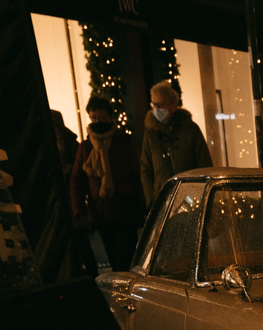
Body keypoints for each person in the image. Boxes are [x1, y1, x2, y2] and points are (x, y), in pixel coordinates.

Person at [72, 94, 144, 273]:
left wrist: (143, 204)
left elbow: (137, 175)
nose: (98, 121)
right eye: (94, 117)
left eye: (102, 117)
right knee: (113, 259)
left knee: (127, 259)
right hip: (101, 211)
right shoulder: (86, 147)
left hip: (125, 209)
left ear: (111, 118)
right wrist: (81, 211)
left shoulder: (123, 142)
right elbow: (77, 180)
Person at [140, 80, 213, 208]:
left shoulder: (190, 129)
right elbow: (146, 168)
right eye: (154, 105)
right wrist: (151, 199)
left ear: (173, 105)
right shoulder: (151, 134)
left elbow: (205, 164)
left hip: (190, 199)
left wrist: (199, 195)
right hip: (162, 200)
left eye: (160, 105)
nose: (156, 110)